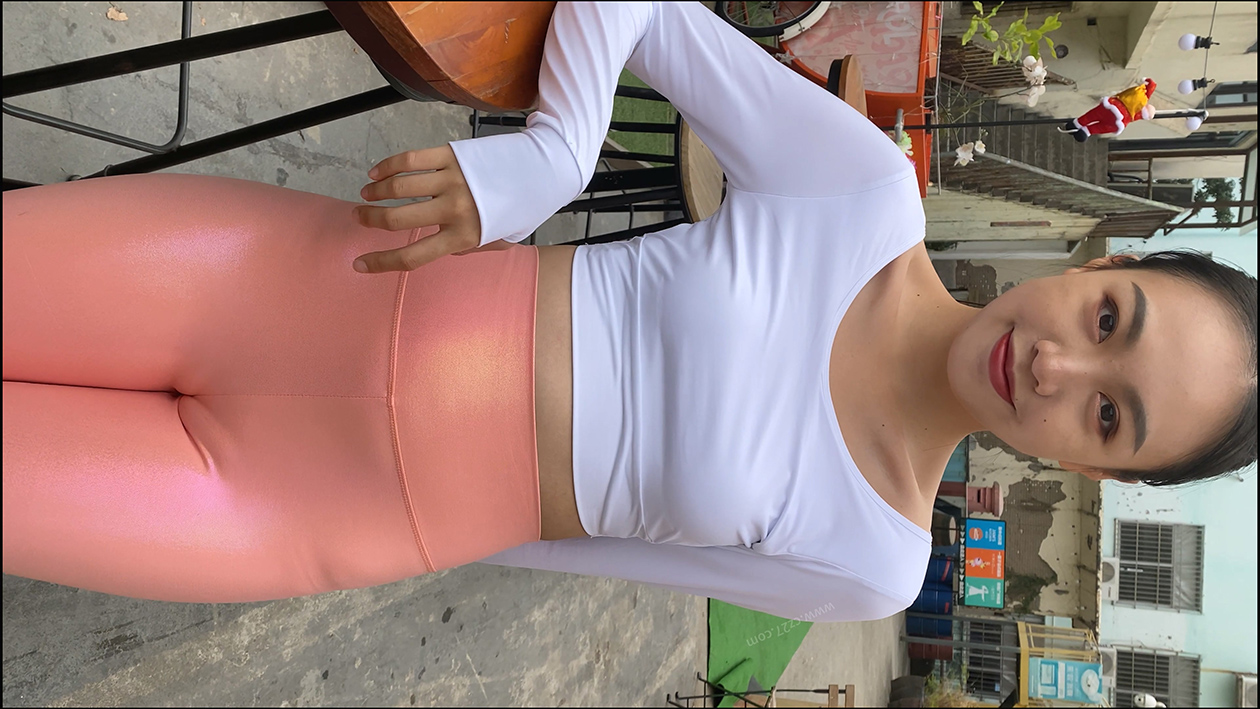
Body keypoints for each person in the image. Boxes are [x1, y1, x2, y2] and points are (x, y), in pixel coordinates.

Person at [3, 2, 1256, 622]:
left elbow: (569, 547)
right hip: (287, 285)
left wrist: (405, 516)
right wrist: (549, 160)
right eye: (1111, 320)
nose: (1055, 369)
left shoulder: (876, 566)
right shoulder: (863, 196)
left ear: (1097, 469)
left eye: (1109, 415)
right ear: (1099, 269)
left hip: (295, 513)